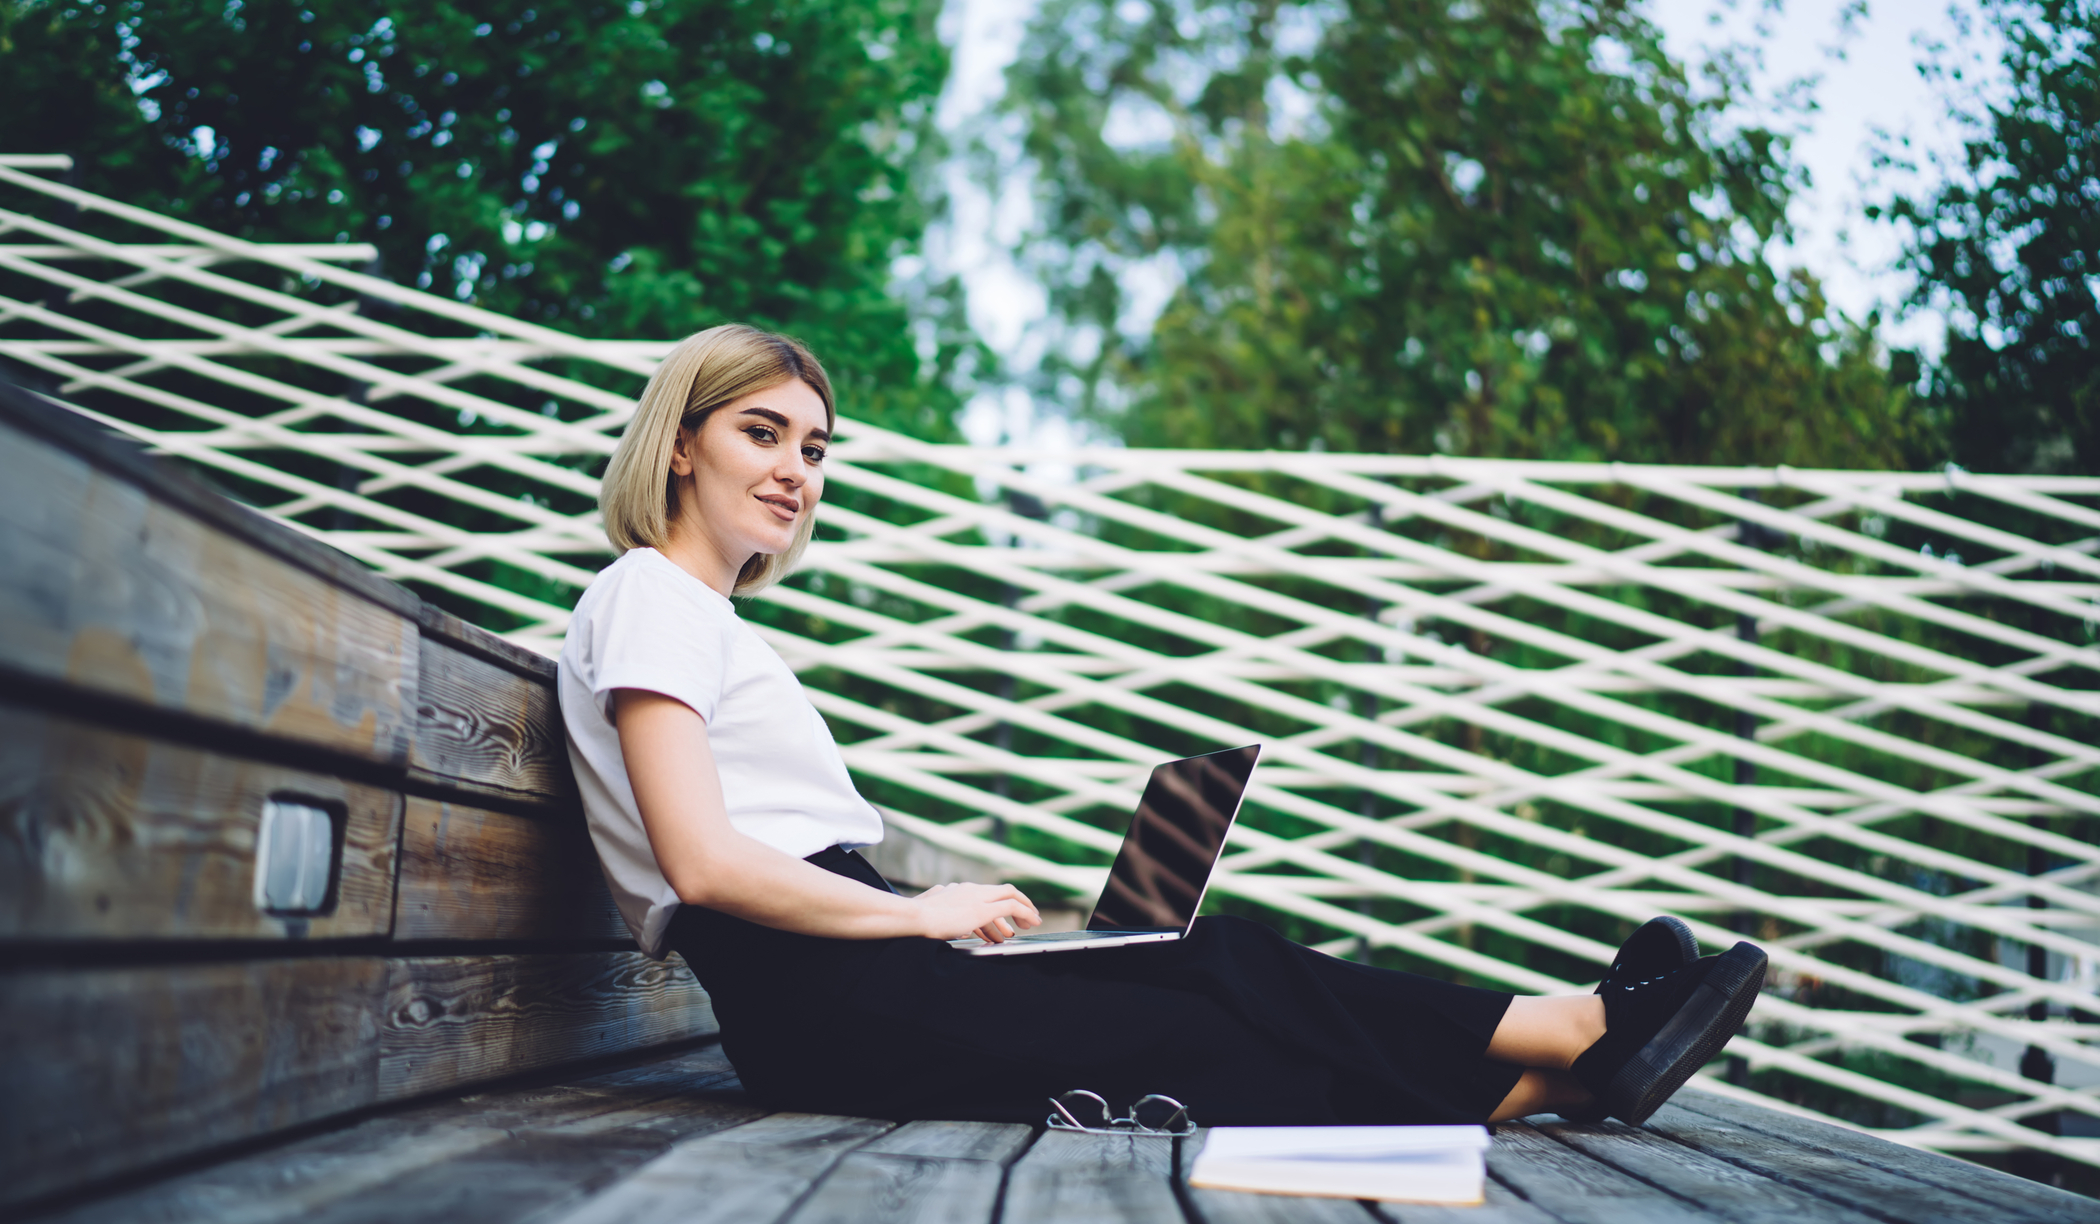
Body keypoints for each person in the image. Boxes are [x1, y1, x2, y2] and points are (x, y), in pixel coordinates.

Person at [558, 324, 1767, 1130]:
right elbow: (705, 864)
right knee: (1212, 976)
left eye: (814, 449)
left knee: (1195, 1017)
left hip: (849, 981)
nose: (795, 471)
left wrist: (920, 928)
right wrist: (917, 911)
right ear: (680, 443)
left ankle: (1568, 1078)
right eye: (760, 434)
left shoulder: (700, 618)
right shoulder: (649, 595)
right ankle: (1587, 1030)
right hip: (820, 1002)